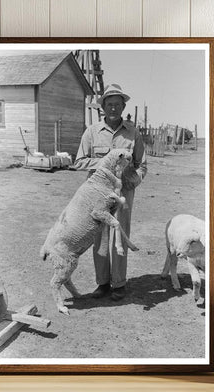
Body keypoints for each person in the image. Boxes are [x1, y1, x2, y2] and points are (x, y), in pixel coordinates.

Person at [74, 84, 147, 300]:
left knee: (120, 234)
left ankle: (119, 283)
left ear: (123, 107)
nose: (113, 108)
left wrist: (131, 182)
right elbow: (79, 162)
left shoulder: (133, 133)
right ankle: (103, 283)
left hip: (123, 193)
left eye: (117, 104)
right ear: (103, 107)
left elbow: (142, 165)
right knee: (100, 237)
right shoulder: (92, 132)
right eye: (109, 104)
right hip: (98, 194)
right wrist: (106, 162)